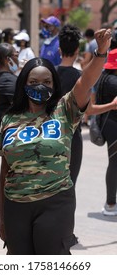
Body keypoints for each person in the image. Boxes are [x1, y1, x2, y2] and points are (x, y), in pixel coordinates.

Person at [0, 28, 111, 255]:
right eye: (34, 80)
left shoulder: (65, 108)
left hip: (55, 201)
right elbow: (5, 168)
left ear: (54, 84)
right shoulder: (9, 118)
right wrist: (1, 214)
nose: (41, 85)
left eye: (47, 81)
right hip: (15, 204)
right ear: (24, 83)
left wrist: (100, 52)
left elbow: (86, 81)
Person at [85, 48, 117, 216]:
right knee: (114, 164)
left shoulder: (103, 77)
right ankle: (111, 203)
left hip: (106, 124)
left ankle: (111, 202)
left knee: (114, 163)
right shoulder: (113, 81)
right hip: (113, 126)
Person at [56, 24, 82, 186]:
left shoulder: (48, 74)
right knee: (70, 184)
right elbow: (89, 108)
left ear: (59, 49)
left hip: (50, 132)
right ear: (77, 50)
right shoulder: (80, 78)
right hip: (72, 136)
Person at [0, 43, 18, 145]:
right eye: (16, 55)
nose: (18, 59)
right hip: (5, 128)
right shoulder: (9, 80)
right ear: (7, 59)